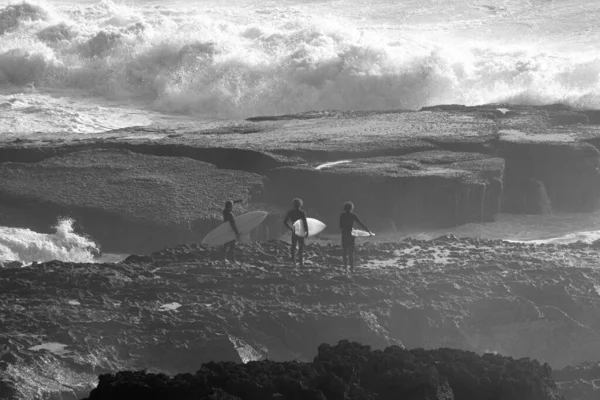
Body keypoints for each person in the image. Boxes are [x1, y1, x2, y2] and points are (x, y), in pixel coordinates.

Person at [339, 201, 373, 269]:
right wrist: (368, 231)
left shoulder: (342, 215)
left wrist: (347, 227)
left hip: (344, 234)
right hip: (351, 235)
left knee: (345, 252)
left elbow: (340, 226)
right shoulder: (353, 216)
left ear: (345, 208)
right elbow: (361, 224)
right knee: (351, 253)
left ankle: (345, 268)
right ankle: (351, 268)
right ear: (351, 208)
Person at [283, 198, 309, 267]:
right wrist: (307, 232)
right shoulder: (302, 213)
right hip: (301, 231)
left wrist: (290, 228)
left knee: (293, 247)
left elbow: (285, 222)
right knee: (301, 247)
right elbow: (305, 223)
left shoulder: (291, 212)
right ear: (300, 205)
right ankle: (301, 263)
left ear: (293, 205)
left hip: (294, 231)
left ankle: (293, 262)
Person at [222, 199, 242, 264]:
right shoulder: (230, 214)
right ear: (229, 206)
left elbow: (231, 202)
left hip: (226, 231)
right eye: (231, 206)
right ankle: (232, 260)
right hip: (231, 231)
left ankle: (223, 259)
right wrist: (236, 232)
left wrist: (237, 201)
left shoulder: (224, 212)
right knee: (232, 246)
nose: (232, 207)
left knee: (225, 245)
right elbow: (232, 224)